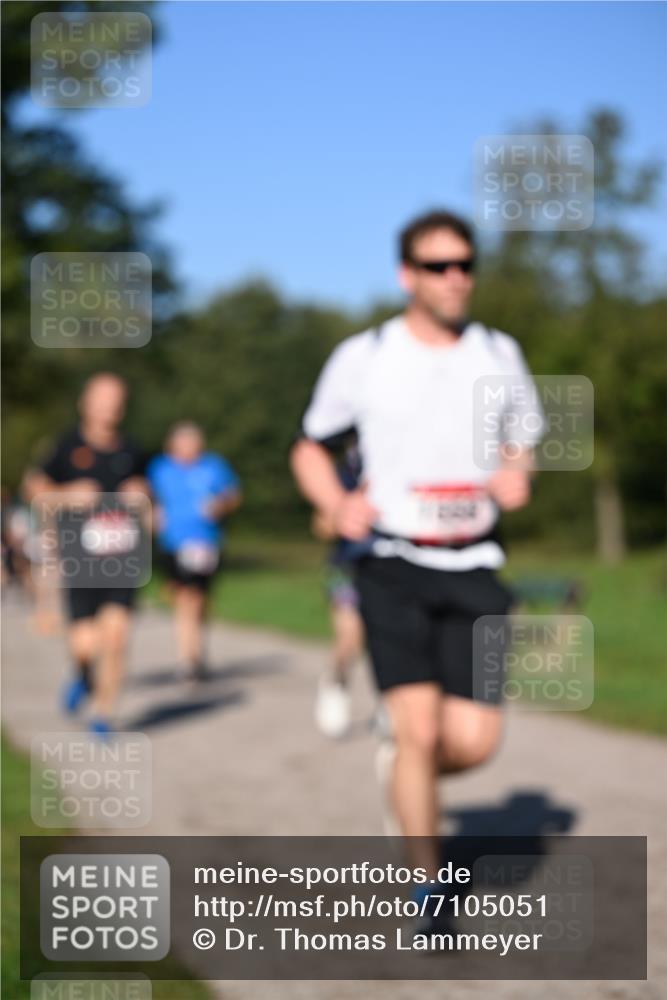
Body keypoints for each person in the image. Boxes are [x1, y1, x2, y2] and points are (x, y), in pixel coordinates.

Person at [291, 209, 543, 937]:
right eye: (438, 266)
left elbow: (519, 444)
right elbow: (308, 447)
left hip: (475, 563)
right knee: (419, 728)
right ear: (407, 275)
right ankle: (427, 892)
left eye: (464, 264)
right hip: (390, 562)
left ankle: (402, 766)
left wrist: (515, 474)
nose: (455, 277)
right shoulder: (364, 355)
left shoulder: (499, 352)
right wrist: (336, 503)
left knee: (471, 742)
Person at [23, 373, 149, 736]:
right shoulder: (65, 447)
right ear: (86, 402)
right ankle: (82, 674)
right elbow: (35, 491)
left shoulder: (133, 451)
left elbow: (149, 499)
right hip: (80, 560)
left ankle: (102, 714)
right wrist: (67, 495)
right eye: (103, 398)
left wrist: (142, 493)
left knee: (117, 637)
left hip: (122, 560)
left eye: (117, 399)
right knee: (85, 645)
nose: (110, 407)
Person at [147, 422, 242, 680]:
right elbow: (146, 496)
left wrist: (220, 506)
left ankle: (196, 649)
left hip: (206, 542)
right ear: (172, 444)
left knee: (200, 599)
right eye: (184, 441)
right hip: (173, 542)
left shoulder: (214, 466)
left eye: (194, 441)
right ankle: (187, 657)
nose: (190, 447)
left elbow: (233, 494)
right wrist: (152, 514)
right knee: (184, 596)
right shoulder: (160, 468)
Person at [313, 441, 366, 739]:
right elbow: (321, 526)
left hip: (396, 567)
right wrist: (346, 516)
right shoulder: (340, 474)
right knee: (351, 639)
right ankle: (335, 685)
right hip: (347, 567)